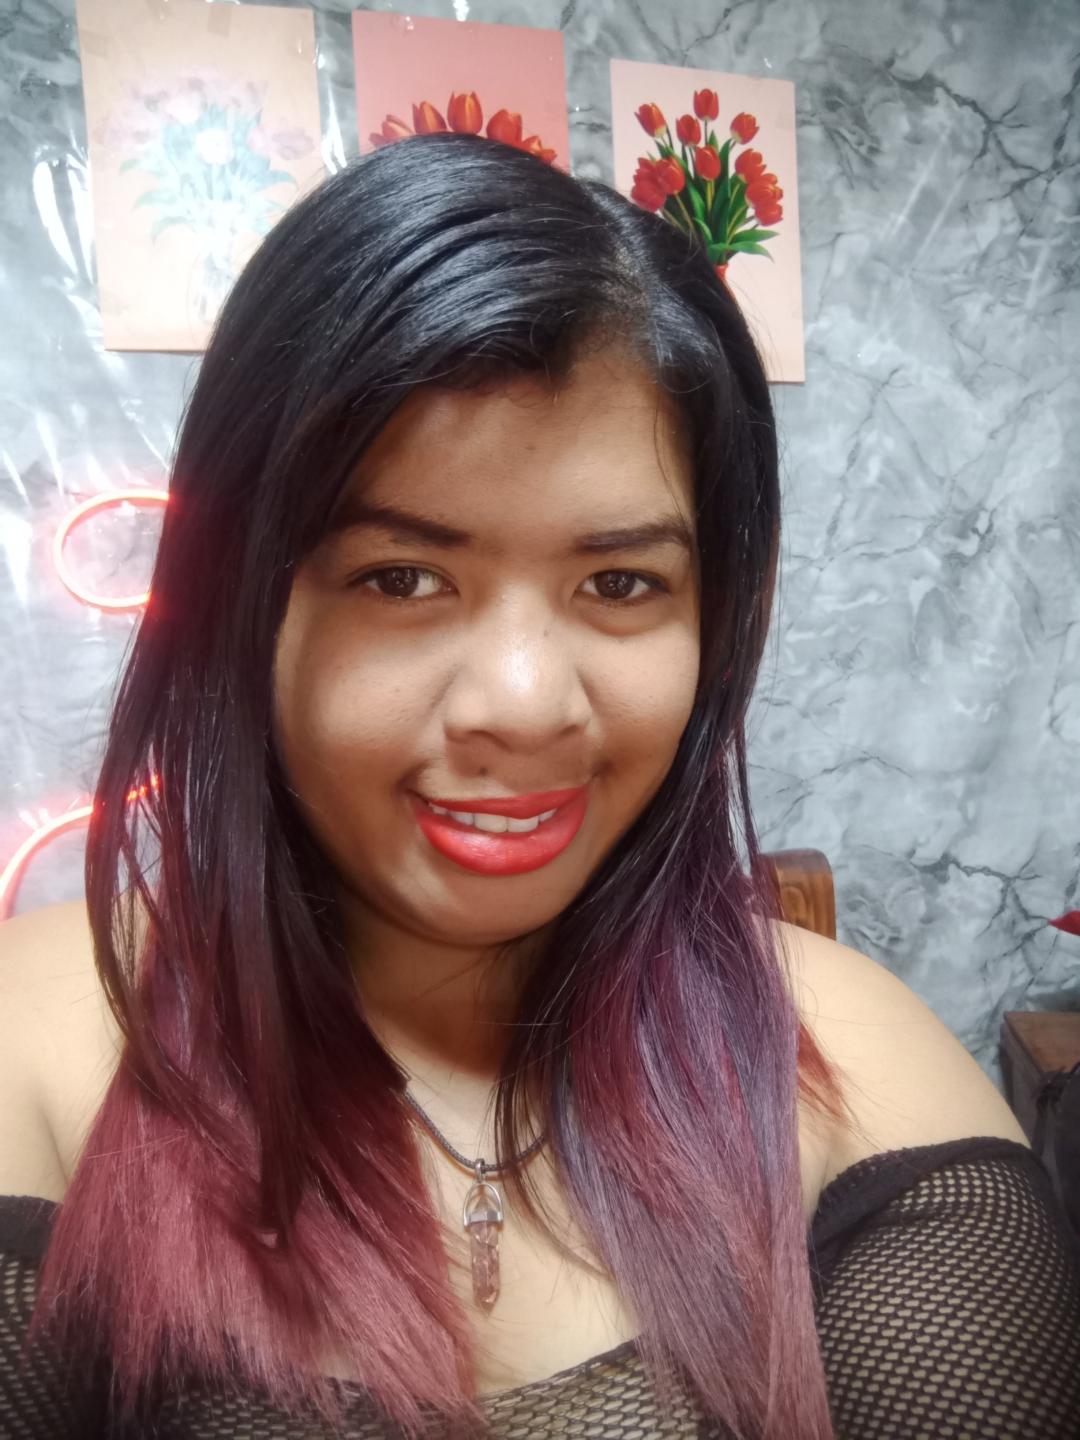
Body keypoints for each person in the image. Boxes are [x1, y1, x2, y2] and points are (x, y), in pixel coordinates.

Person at [1, 131, 1078, 1440]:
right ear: (242, 604)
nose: (523, 705)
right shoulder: (42, 1048)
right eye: (402, 578)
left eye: (620, 583)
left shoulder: (852, 1078)